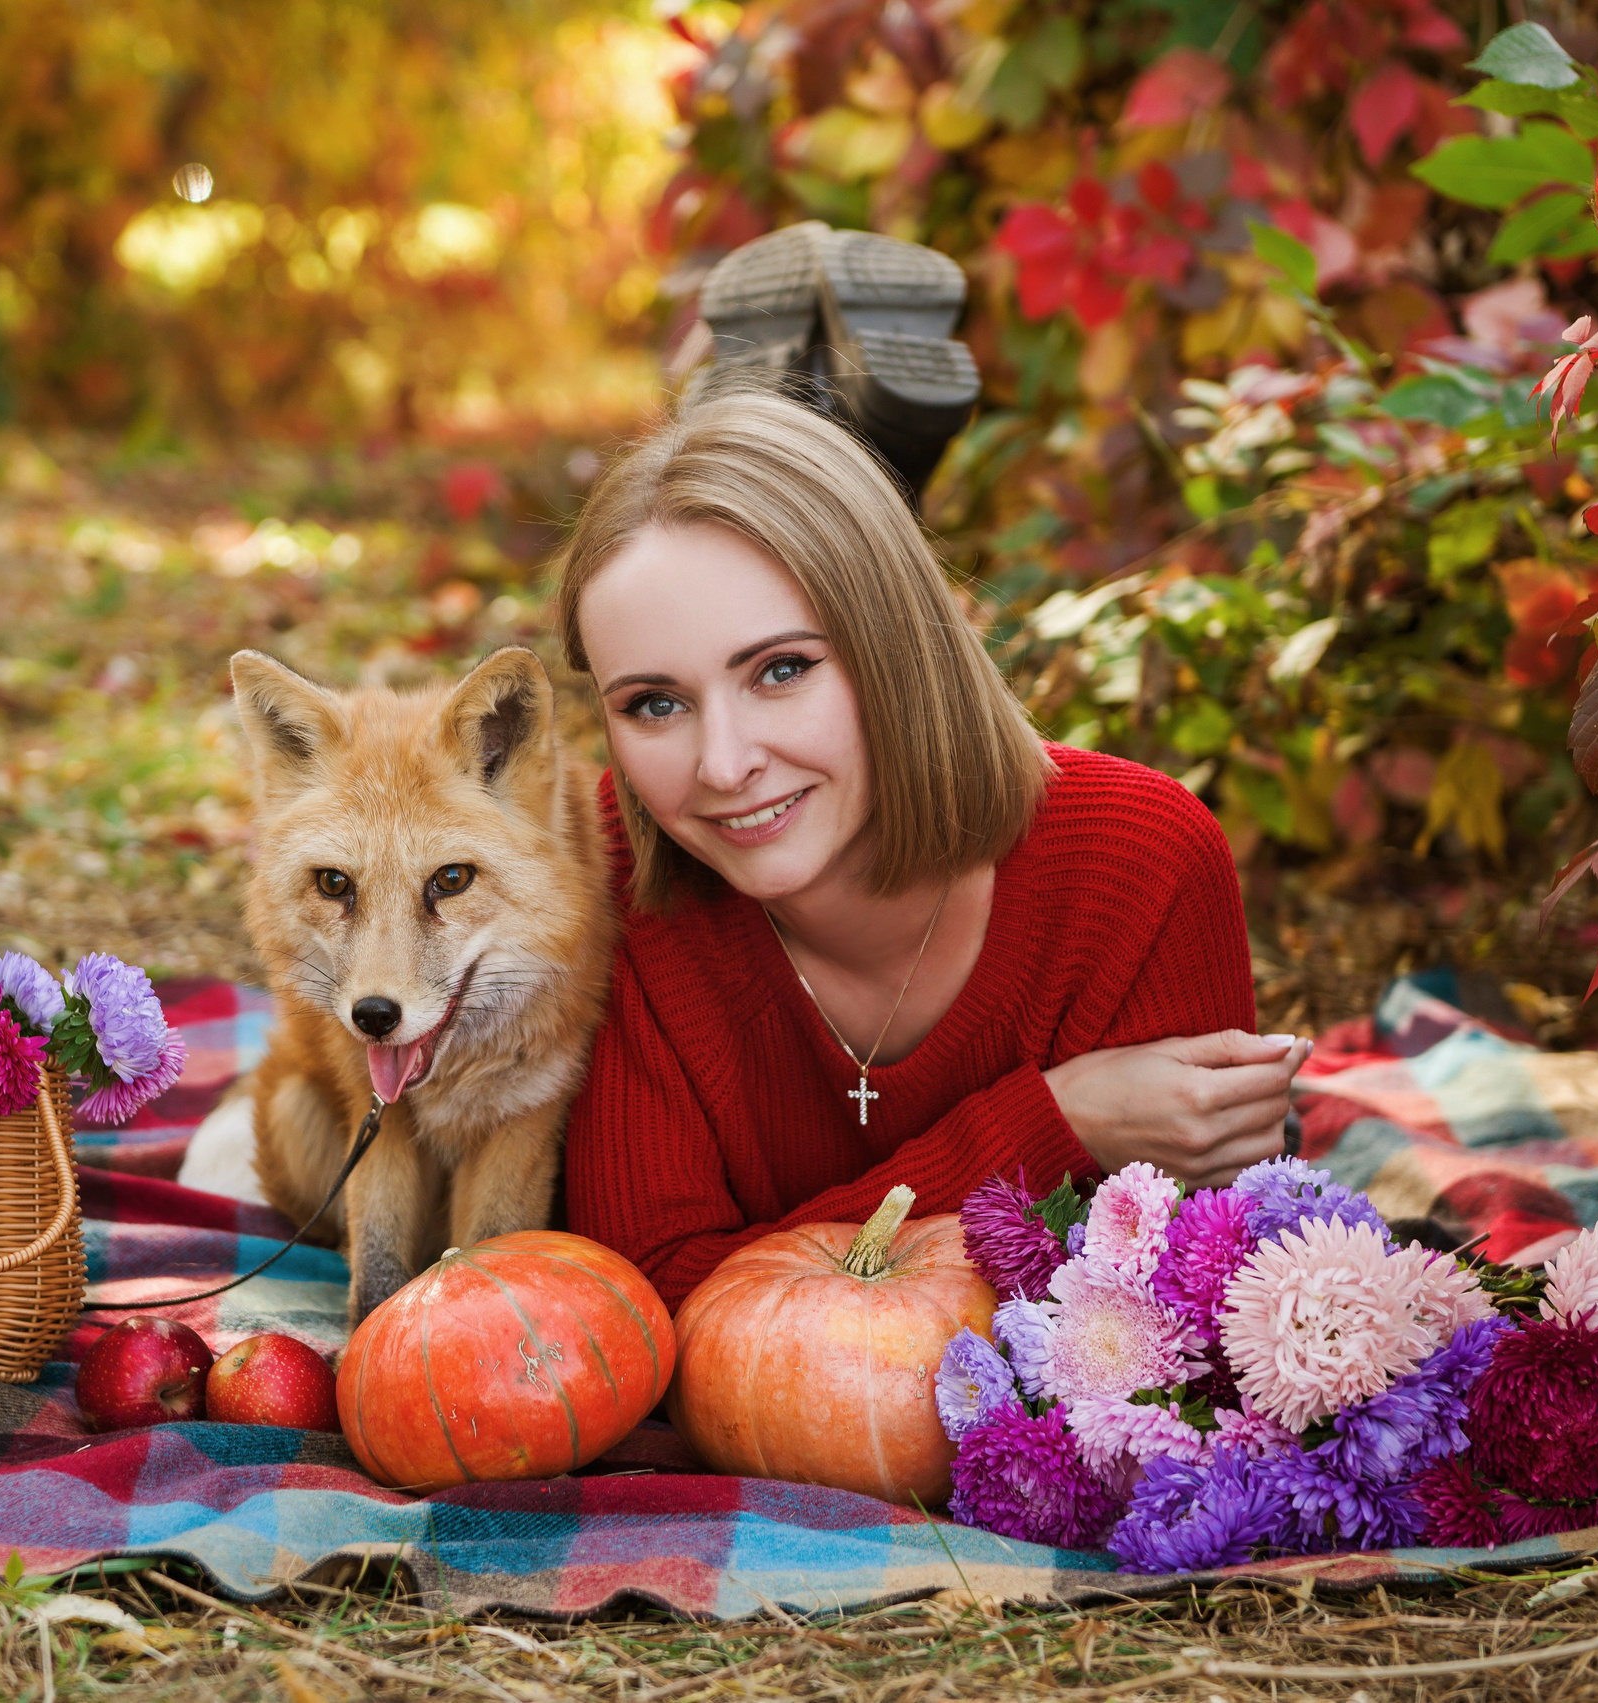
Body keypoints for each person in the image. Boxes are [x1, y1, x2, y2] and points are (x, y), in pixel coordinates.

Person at [558, 387, 1308, 1308]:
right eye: (654, 704)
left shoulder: (1139, 866)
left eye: (782, 669)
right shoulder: (603, 878)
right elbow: (645, 1307)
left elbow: (1178, 1310)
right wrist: (1052, 1125)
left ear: (897, 645)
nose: (723, 764)